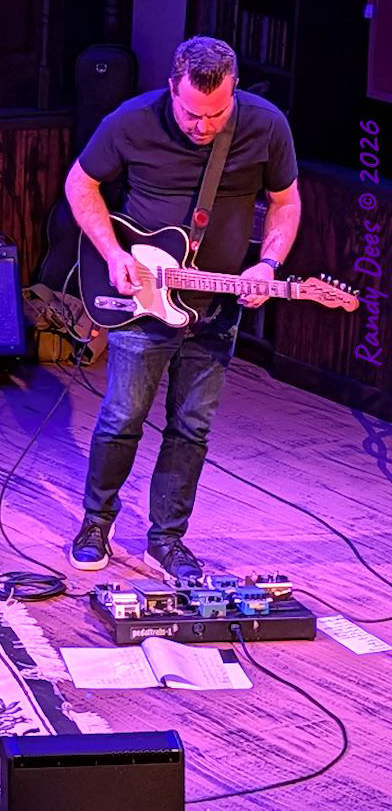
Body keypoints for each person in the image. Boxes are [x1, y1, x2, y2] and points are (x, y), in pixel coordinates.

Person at [63, 36, 299, 579]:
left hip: (215, 306)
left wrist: (267, 264)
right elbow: (81, 185)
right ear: (172, 86)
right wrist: (113, 254)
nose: (203, 126)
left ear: (234, 89)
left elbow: (285, 202)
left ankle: (166, 540)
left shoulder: (266, 125)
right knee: (122, 417)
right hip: (143, 298)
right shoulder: (132, 120)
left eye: (216, 114)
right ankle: (96, 524)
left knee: (191, 426)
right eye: (192, 113)